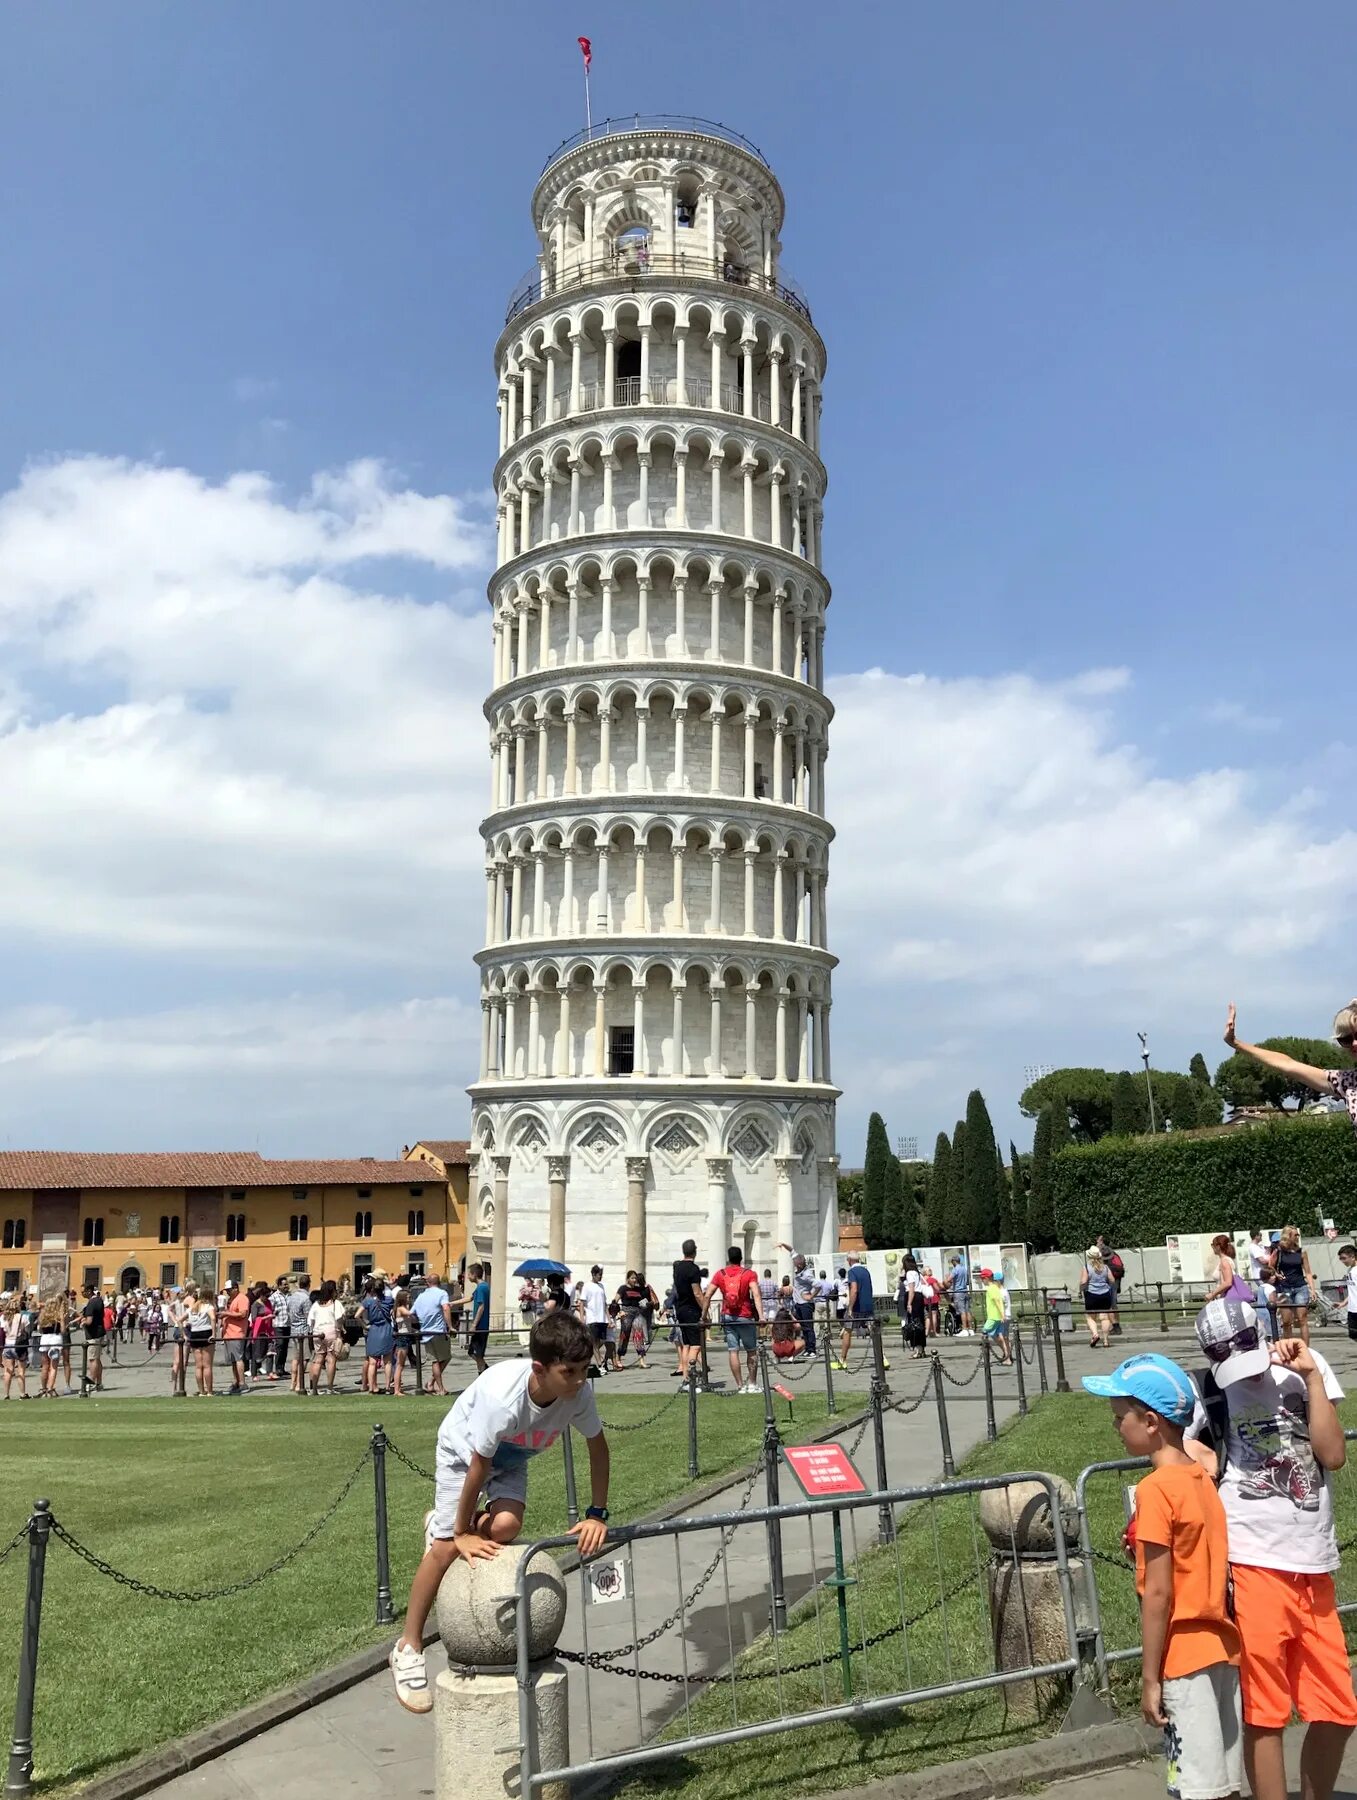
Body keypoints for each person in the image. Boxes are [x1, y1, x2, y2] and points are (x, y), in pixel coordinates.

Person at [388, 1310, 610, 1714]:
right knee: (444, 1550)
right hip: (463, 1454)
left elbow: (598, 1447)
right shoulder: (501, 1400)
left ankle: (446, 1523)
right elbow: (477, 1467)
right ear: (540, 1369)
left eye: (585, 1369)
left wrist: (597, 1513)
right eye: (571, 1371)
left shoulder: (577, 1394)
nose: (580, 1380)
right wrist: (458, 1532)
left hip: (511, 1458)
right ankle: (408, 1647)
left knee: (506, 1527)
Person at [1186, 1299, 1357, 1800]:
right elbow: (1174, 1448)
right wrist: (1192, 1451)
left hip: (1313, 1560)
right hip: (1252, 1556)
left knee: (1338, 1708)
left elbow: (1332, 1455)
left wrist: (1314, 1380)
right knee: (1266, 1711)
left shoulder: (1305, 1368)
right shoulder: (1210, 1388)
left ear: (1260, 1336)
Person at [1082, 1352, 1242, 1798]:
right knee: (1223, 1783)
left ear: (1151, 1422)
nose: (1116, 1427)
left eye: (1120, 1417)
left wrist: (1150, 1677)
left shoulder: (1154, 1492)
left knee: (1192, 1786)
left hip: (1183, 1657)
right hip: (1224, 1649)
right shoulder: (1201, 1479)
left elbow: (1158, 1593)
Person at [1223, 999, 1357, 1131]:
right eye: (1346, 1039)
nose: (1354, 1043)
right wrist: (1235, 1043)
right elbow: (1288, 1064)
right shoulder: (1347, 1082)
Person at [705, 1246, 764, 1394]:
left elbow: (707, 1295)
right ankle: (752, 1383)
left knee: (733, 1351)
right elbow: (756, 1294)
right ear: (741, 1258)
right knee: (751, 1351)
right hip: (745, 1316)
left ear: (728, 1258)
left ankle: (739, 1385)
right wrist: (761, 1316)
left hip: (728, 1316)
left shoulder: (720, 1274)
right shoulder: (749, 1274)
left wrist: (703, 1315)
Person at [1265, 1225, 1318, 1346]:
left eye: (1297, 1235)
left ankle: (1306, 1348)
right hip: (1285, 1287)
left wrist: (1312, 1289)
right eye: (1295, 1235)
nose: (1297, 1237)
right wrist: (1277, 1274)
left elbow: (1308, 1272)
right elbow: (1270, 1266)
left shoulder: (1301, 1252)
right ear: (1288, 1236)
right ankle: (1288, 1348)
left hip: (1300, 1286)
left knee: (1302, 1319)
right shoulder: (1279, 1251)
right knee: (1286, 1321)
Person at [838, 1254, 886, 1372]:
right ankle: (883, 1358)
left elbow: (854, 1289)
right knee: (873, 1331)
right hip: (868, 1305)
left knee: (847, 1331)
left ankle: (842, 1360)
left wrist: (850, 1307)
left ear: (849, 1260)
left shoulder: (852, 1272)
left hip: (857, 1307)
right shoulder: (866, 1271)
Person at [411, 1274, 454, 1395]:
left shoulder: (421, 1296)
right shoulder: (442, 1293)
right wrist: (450, 1326)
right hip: (439, 1331)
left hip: (425, 1332)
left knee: (435, 1360)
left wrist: (422, 1321)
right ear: (439, 1282)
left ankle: (431, 1383)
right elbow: (446, 1308)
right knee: (444, 1358)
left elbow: (412, 1313)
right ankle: (440, 1389)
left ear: (428, 1283)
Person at [671, 1239, 705, 1380]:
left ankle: (685, 1377)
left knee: (686, 1345)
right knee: (696, 1345)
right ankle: (691, 1377)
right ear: (695, 1251)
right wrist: (705, 1310)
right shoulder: (693, 1269)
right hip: (691, 1309)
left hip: (681, 1308)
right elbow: (697, 1292)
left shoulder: (678, 1268)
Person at [361, 1277, 395, 1395]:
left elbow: (357, 1315)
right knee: (388, 1362)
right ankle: (387, 1387)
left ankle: (371, 1388)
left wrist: (365, 1325)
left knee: (372, 1362)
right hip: (386, 1329)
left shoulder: (368, 1301)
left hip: (373, 1330)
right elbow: (393, 1312)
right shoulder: (389, 1300)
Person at [307, 1280, 342, 1394]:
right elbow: (339, 1319)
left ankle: (314, 1388)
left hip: (317, 1332)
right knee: (331, 1359)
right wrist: (339, 1333)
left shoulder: (316, 1304)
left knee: (318, 1359)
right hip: (331, 1331)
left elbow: (310, 1320)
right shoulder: (335, 1303)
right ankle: (330, 1387)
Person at [1081, 1247, 1116, 1349]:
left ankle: (1095, 1334)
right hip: (1105, 1294)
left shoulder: (1087, 1267)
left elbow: (1083, 1281)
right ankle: (1106, 1340)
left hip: (1091, 1294)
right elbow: (1112, 1280)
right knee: (1105, 1317)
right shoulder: (1105, 1267)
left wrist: (1081, 1288)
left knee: (1090, 1317)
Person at [219, 1280, 249, 1394]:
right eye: (227, 1291)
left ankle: (242, 1383)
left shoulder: (242, 1298)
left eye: (229, 1290)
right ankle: (236, 1381)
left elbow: (242, 1314)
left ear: (236, 1288)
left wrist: (226, 1314)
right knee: (233, 1360)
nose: (228, 1292)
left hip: (237, 1333)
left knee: (238, 1358)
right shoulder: (232, 1300)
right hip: (229, 1333)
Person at [614, 1271, 649, 1370]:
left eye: (635, 1278)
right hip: (627, 1312)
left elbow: (643, 1300)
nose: (634, 1280)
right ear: (628, 1278)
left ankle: (641, 1360)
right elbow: (615, 1301)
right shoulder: (623, 1288)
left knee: (639, 1335)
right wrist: (619, 1312)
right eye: (632, 1278)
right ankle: (618, 1358)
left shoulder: (638, 1289)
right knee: (624, 1334)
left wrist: (647, 1305)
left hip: (637, 1312)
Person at [577, 1265, 609, 1372]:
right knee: (595, 1342)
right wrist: (582, 1318)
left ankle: (587, 1352)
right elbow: (582, 1302)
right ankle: (600, 1365)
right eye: (599, 1275)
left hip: (602, 1318)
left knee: (603, 1340)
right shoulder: (587, 1286)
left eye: (601, 1275)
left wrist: (608, 1318)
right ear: (594, 1274)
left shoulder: (601, 1286)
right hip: (592, 1318)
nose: (600, 1277)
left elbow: (605, 1303)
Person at [1206, 1235, 1253, 1304]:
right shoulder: (1226, 1260)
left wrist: (1212, 1294)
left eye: (1213, 1245)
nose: (1212, 1247)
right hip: (1226, 1297)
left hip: (1227, 1298)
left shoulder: (1224, 1261)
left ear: (1218, 1247)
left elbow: (1227, 1282)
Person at [186, 1284, 215, 1395]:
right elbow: (212, 1318)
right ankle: (210, 1391)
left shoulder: (193, 1308)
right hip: (206, 1332)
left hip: (194, 1334)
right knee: (207, 1365)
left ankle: (202, 1391)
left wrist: (185, 1334)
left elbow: (180, 1319)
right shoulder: (208, 1307)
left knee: (198, 1366)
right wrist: (213, 1333)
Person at [286, 1274, 312, 1394]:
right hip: (303, 1331)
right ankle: (299, 1384)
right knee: (305, 1358)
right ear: (308, 1285)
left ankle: (293, 1382)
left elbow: (288, 1312)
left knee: (295, 1358)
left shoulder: (291, 1297)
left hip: (294, 1329)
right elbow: (309, 1317)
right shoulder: (306, 1299)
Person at [1096, 1235, 1126, 1335]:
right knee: (1113, 1304)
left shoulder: (1102, 1253)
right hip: (1116, 1280)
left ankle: (1116, 1327)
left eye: (1099, 1241)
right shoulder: (1113, 1253)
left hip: (1108, 1281)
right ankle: (1116, 1326)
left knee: (1109, 1305)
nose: (1098, 1242)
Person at [982, 1269, 1013, 1364]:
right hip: (999, 1316)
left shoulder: (992, 1289)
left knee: (985, 1333)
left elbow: (998, 1302)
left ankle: (986, 1357)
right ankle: (1007, 1356)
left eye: (982, 1279)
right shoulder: (996, 1289)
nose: (982, 1281)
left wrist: (1002, 1314)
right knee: (999, 1336)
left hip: (995, 1317)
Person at [79, 1282, 105, 1393]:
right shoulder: (99, 1300)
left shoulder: (91, 1303)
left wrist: (83, 1323)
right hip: (100, 1332)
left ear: (89, 1291)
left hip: (93, 1334)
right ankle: (99, 1383)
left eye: (83, 1292)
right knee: (97, 1359)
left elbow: (89, 1321)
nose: (82, 1294)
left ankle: (92, 1383)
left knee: (92, 1359)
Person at [466, 1262, 491, 1375]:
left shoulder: (482, 1288)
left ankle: (484, 1372)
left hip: (481, 1326)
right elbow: (470, 1298)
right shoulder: (482, 1287)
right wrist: (451, 1303)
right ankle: (483, 1370)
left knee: (477, 1353)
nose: (467, 1276)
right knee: (473, 1352)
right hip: (480, 1326)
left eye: (469, 1274)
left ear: (474, 1274)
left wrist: (474, 1325)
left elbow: (481, 1306)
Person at [898, 1255, 926, 1358]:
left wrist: (909, 1303)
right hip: (919, 1297)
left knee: (914, 1323)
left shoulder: (909, 1273)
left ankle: (917, 1349)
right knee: (920, 1323)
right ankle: (921, 1348)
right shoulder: (916, 1272)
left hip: (913, 1298)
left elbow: (911, 1289)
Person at [2, 1297, 29, 1399]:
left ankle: (6, 1394)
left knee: (8, 1370)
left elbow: (3, 1331)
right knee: (21, 1370)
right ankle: (22, 1393)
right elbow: (26, 1330)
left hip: (8, 1343)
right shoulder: (22, 1317)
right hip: (18, 1344)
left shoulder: (4, 1317)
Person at [392, 1287, 416, 1396]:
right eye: (408, 1298)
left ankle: (398, 1388)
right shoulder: (401, 1309)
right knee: (400, 1365)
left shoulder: (401, 1308)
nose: (410, 1299)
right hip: (402, 1337)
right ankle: (396, 1390)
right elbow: (410, 1314)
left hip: (405, 1336)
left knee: (400, 1364)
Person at [268, 1277, 290, 1382]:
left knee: (285, 1347)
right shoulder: (274, 1297)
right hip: (278, 1324)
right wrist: (273, 1314)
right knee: (279, 1346)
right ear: (279, 1285)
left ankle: (282, 1368)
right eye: (284, 1284)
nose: (286, 1286)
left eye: (287, 1284)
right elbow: (268, 1310)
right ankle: (277, 1368)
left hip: (287, 1324)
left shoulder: (289, 1296)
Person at [948, 1255, 973, 1337]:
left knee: (962, 1311)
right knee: (967, 1310)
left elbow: (949, 1279)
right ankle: (970, 1329)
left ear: (954, 1261)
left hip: (958, 1291)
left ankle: (964, 1329)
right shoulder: (964, 1269)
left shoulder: (955, 1269)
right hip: (965, 1290)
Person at [1339, 1244, 1357, 1342]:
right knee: (1353, 1335)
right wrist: (1344, 1303)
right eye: (1341, 1259)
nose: (1342, 1261)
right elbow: (1353, 1290)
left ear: (1353, 1257)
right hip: (1352, 1310)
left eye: (1344, 1258)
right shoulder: (1350, 1270)